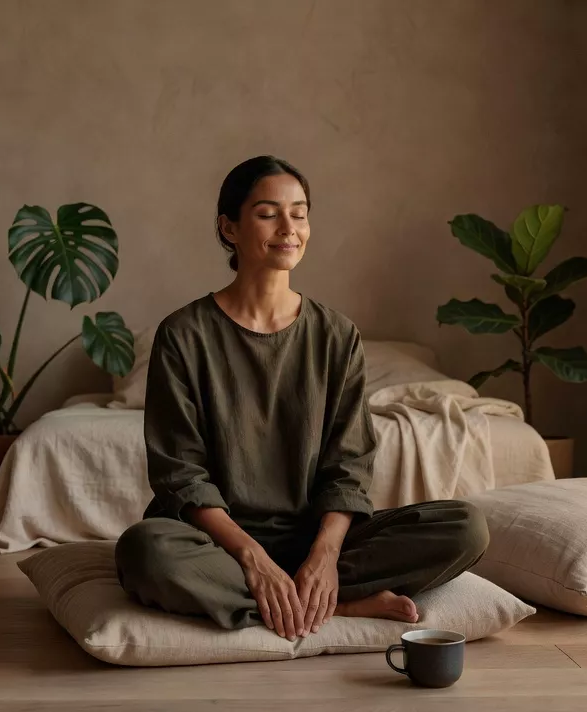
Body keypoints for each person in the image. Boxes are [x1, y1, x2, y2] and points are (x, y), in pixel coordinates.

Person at [115, 155, 488, 639]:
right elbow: (180, 474)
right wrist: (251, 558)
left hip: (316, 536)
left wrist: (325, 556)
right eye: (268, 213)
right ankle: (339, 607)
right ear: (229, 228)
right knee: (145, 551)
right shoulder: (184, 334)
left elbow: (349, 464)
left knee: (465, 527)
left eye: (300, 212)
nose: (289, 227)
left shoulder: (336, 335)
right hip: (218, 540)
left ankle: (305, 593)